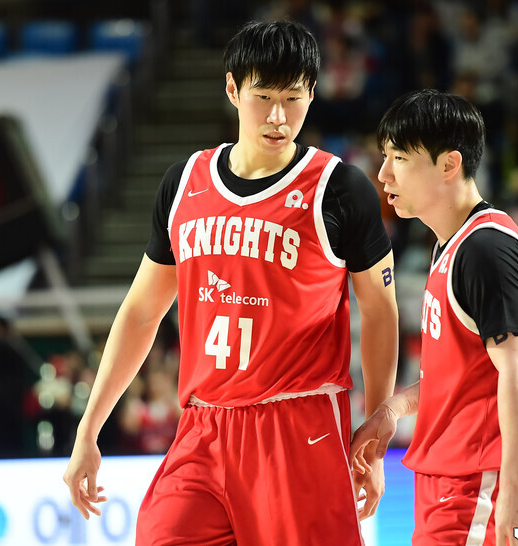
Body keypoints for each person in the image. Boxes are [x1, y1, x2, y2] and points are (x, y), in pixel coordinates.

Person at [63, 20, 398, 545]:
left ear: (312, 93)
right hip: (203, 426)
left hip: (297, 426)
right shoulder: (183, 183)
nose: (278, 116)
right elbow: (142, 312)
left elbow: (380, 312)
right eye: (263, 97)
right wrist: (90, 427)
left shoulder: (339, 188)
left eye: (292, 98)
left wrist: (373, 437)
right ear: (232, 89)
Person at [350, 90, 518, 546]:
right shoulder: (454, 245)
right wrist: (394, 409)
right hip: (456, 487)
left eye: (400, 158)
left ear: (449, 164)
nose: (383, 174)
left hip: (484, 487)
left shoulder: (486, 249)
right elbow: (464, 378)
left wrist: (513, 489)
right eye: (385, 157)